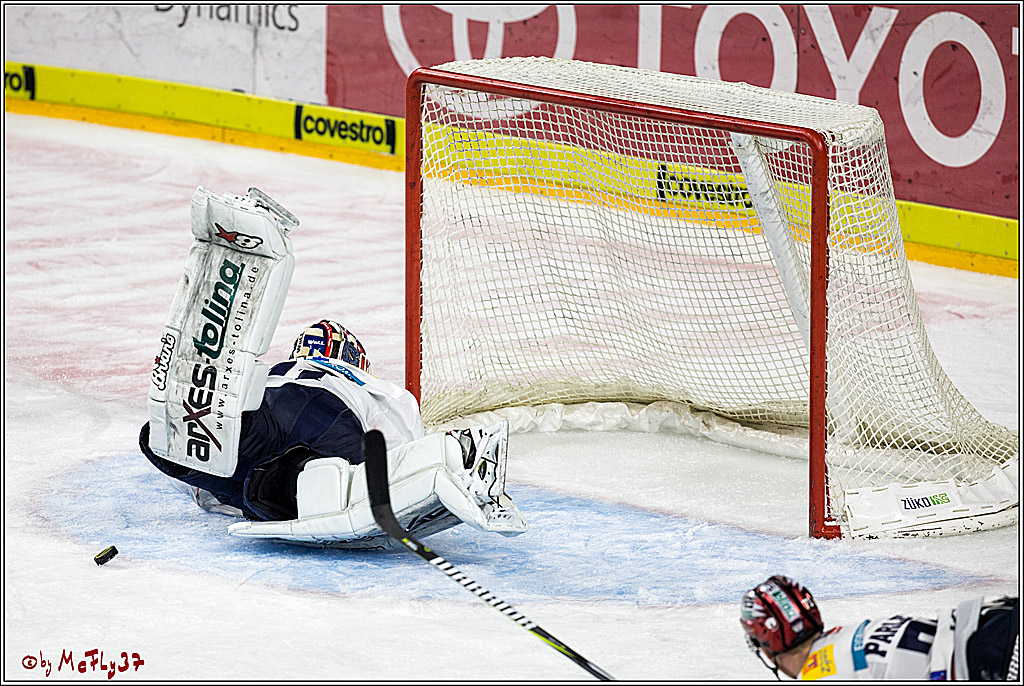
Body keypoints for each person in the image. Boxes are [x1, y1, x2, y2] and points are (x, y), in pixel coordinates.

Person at [140, 186, 527, 550]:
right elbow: (399, 449)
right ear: (354, 359)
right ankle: (455, 456)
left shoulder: (282, 369)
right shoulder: (366, 382)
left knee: (177, 447)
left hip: (260, 417)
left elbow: (205, 496)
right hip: (327, 417)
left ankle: (269, 478)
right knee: (322, 479)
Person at [740, 575, 1019, 681]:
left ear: (766, 647)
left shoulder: (819, 676)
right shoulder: (842, 637)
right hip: (995, 620)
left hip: (993, 658)